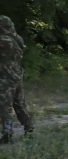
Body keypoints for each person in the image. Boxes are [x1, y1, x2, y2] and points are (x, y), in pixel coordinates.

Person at [0, 15, 34, 144]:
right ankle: (29, 128)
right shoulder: (17, 38)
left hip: (5, 77)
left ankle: (8, 134)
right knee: (20, 104)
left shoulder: (4, 40)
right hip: (17, 75)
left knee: (4, 106)